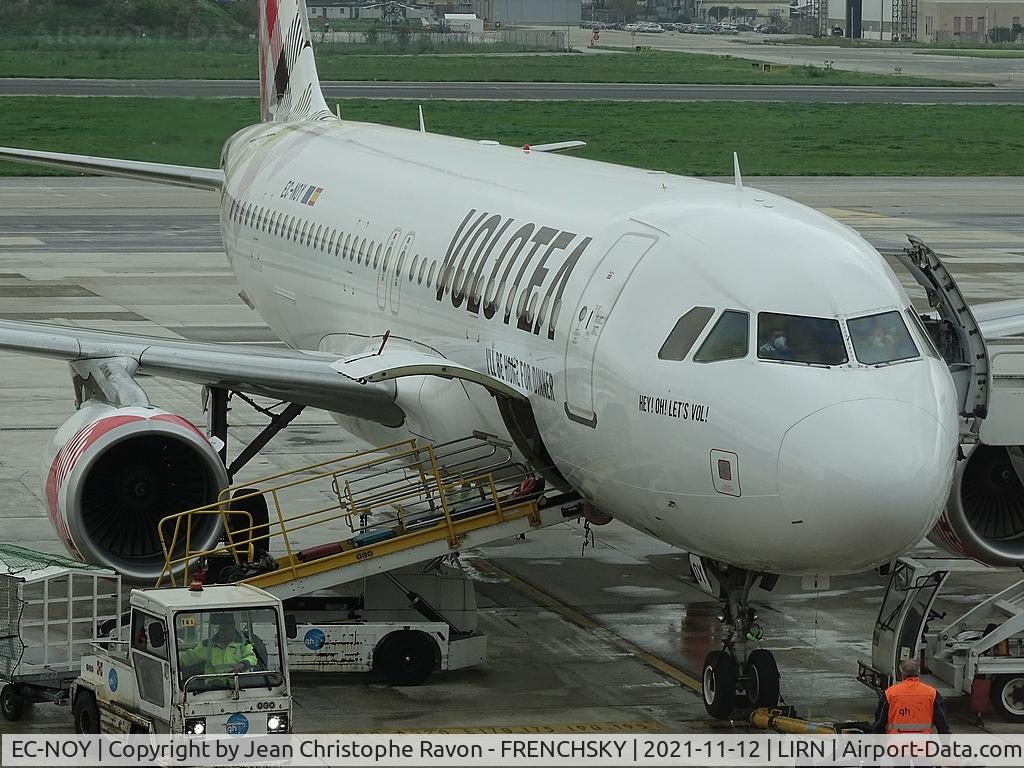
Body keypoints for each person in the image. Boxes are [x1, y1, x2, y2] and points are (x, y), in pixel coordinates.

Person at [873, 658, 950, 734]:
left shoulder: (890, 693)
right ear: (919, 672)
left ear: (902, 673)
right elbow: (942, 723)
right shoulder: (932, 693)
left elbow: (879, 723)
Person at [177, 613, 258, 675]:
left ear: (233, 628)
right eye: (220, 629)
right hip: (212, 688)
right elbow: (189, 657)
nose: (222, 633)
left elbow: (251, 657)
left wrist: (243, 664)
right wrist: (173, 657)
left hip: (238, 686)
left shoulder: (244, 644)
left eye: (226, 630)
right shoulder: (207, 646)